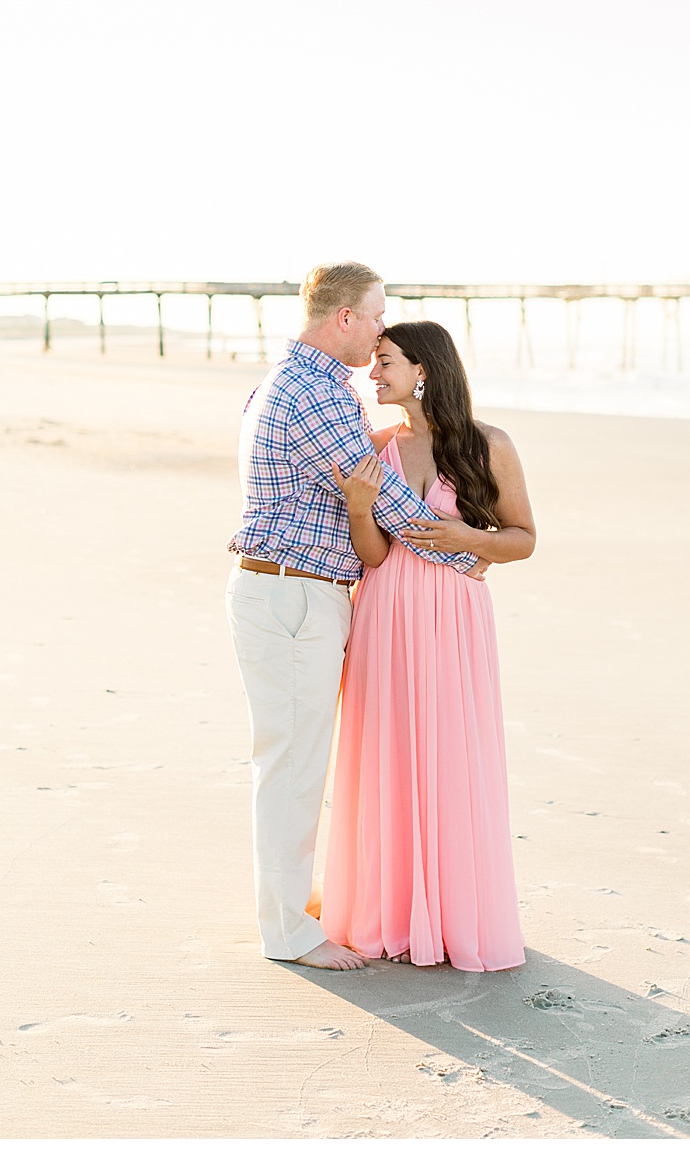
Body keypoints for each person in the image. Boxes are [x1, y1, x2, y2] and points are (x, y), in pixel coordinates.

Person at [225, 262, 479, 971]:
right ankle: (287, 932)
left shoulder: (290, 385)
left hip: (285, 591)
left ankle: (288, 904)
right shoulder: (317, 396)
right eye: (374, 316)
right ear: (343, 319)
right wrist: (466, 556)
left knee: (292, 757)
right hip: (294, 595)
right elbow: (390, 505)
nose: (377, 332)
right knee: (294, 764)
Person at [321, 320, 536, 971]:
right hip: (385, 612)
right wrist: (360, 507)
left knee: (450, 754)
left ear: (425, 371)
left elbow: (523, 537)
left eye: (385, 362)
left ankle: (453, 916)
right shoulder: (376, 445)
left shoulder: (487, 445)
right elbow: (375, 556)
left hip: (454, 618)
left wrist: (469, 540)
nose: (373, 373)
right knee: (386, 755)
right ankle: (390, 911)